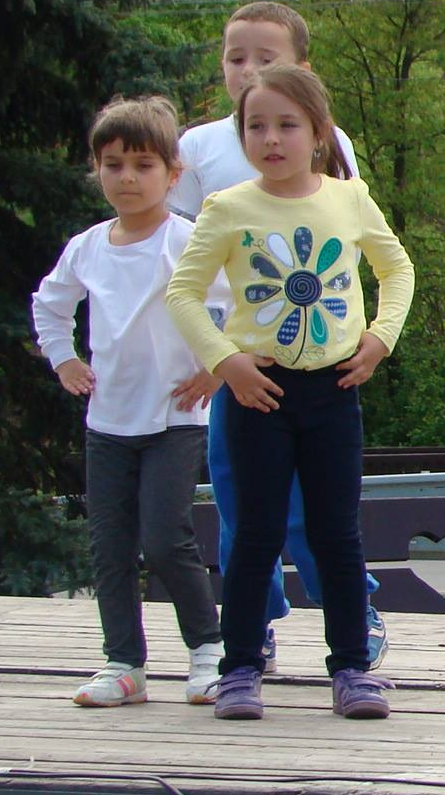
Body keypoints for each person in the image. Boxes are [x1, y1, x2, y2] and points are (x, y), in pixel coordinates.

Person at [167, 64, 415, 720]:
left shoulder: (349, 199)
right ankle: (240, 669)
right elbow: (183, 293)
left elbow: (396, 269)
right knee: (254, 533)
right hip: (258, 395)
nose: (272, 139)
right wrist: (226, 363)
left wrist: (380, 338)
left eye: (287, 125)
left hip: (333, 390)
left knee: (337, 534)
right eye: (256, 126)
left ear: (318, 132)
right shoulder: (228, 208)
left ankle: (352, 668)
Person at [32, 96, 226, 708]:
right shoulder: (87, 247)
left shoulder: (187, 241)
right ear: (97, 170)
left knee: (166, 538)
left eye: (143, 165)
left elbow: (231, 306)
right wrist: (64, 359)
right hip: (108, 421)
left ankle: (208, 651)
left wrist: (215, 370)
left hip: (174, 416)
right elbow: (50, 305)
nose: (127, 178)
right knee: (109, 545)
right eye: (113, 165)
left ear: (172, 174)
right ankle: (123, 664)